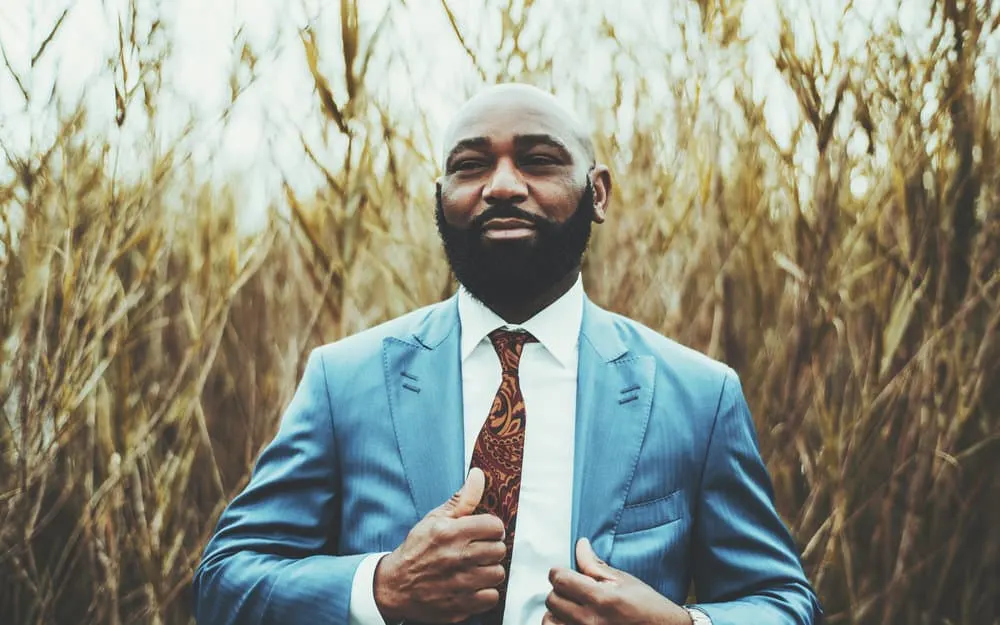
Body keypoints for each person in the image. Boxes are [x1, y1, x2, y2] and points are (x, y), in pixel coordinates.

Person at [193, 83, 822, 625]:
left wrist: (681, 623)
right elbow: (225, 582)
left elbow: (783, 601)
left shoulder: (696, 395)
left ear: (597, 193)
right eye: (470, 166)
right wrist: (381, 587)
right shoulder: (346, 380)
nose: (500, 185)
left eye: (539, 160)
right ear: (440, 197)